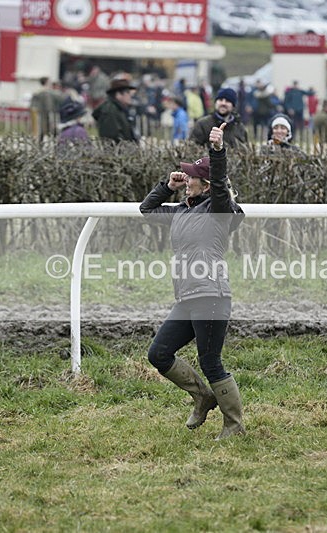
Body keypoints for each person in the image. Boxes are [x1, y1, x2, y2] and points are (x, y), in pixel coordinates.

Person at [139, 123, 246, 440]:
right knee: (158, 354)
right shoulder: (182, 210)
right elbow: (147, 209)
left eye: (191, 178)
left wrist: (217, 151)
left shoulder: (217, 209)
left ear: (207, 183)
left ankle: (235, 426)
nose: (187, 181)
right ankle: (202, 396)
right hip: (187, 298)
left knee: (210, 361)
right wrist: (166, 186)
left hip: (211, 295)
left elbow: (221, 187)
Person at [92, 75, 138, 143]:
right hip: (118, 152)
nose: (130, 95)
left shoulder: (119, 108)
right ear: (118, 94)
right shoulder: (110, 110)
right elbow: (111, 137)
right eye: (127, 92)